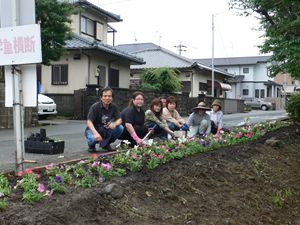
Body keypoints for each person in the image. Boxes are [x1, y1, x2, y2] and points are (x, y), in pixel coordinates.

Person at [85, 86, 124, 152]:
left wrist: (114, 124)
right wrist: (95, 133)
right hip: (94, 129)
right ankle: (91, 145)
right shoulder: (95, 107)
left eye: (109, 96)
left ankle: (106, 144)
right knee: (92, 139)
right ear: (101, 97)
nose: (107, 98)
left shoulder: (114, 107)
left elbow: (120, 119)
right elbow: (89, 122)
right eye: (105, 96)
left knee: (120, 128)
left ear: (112, 98)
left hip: (106, 129)